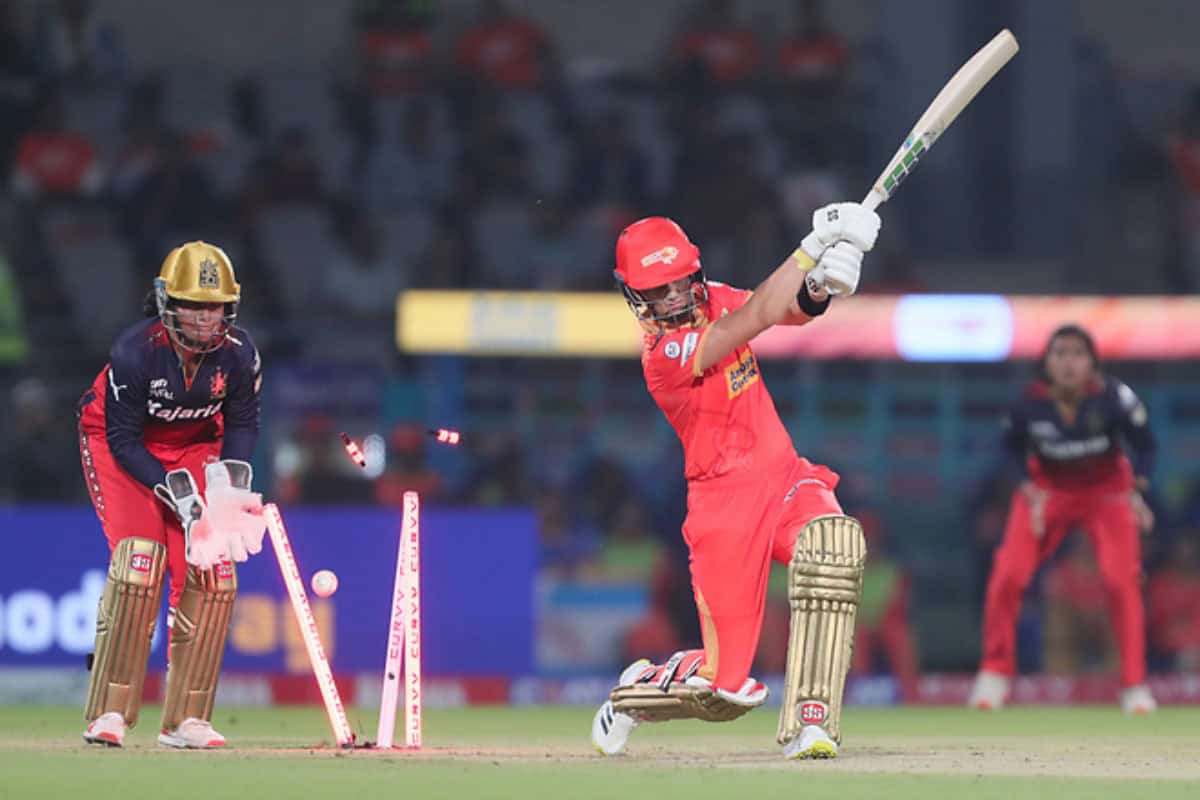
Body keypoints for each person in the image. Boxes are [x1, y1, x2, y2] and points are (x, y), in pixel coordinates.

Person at [590, 202, 881, 759]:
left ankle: (810, 721)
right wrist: (810, 248)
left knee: (833, 549)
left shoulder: (713, 296)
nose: (674, 297)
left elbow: (785, 310)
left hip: (785, 476)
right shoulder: (663, 355)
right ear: (633, 295)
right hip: (723, 507)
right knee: (724, 691)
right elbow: (751, 321)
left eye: (679, 282)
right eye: (658, 290)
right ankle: (637, 692)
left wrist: (819, 285)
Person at [76, 241, 267, 748]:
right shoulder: (134, 352)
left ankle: (186, 719)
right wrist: (175, 493)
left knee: (211, 565)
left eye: (214, 307)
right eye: (193, 305)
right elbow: (122, 439)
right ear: (167, 302)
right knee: (141, 562)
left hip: (193, 444)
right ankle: (110, 712)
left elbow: (243, 423)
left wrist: (232, 487)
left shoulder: (241, 354)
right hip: (121, 446)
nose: (205, 319)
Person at [969, 324, 1157, 714]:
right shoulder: (1027, 404)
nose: (1069, 363)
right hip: (1047, 493)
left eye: (1077, 354)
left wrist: (1138, 489)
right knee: (1008, 574)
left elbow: (1145, 445)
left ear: (1092, 364)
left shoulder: (1115, 398)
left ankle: (1135, 686)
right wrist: (1027, 487)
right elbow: (1009, 448)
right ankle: (994, 674)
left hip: (1106, 493)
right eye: (1060, 354)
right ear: (1047, 363)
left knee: (1121, 581)